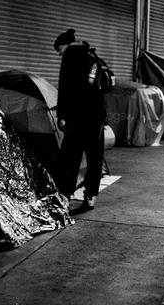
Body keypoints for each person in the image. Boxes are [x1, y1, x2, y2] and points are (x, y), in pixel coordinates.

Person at [53, 28, 110, 210]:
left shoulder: (69, 56)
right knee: (95, 158)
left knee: (70, 158)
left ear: (65, 46)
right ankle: (90, 196)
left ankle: (65, 196)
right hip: (97, 116)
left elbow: (65, 88)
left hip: (77, 118)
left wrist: (62, 115)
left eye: (59, 50)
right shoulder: (91, 55)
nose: (59, 54)